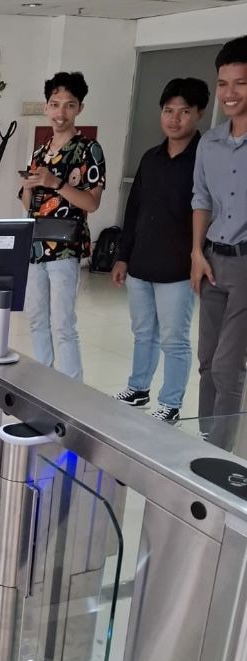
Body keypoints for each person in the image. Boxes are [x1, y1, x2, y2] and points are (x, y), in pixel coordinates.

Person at [111, 78, 209, 424]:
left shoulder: (203, 161)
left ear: (199, 114)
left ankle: (170, 402)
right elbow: (134, 208)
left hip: (178, 270)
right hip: (141, 264)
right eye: (169, 111)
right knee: (143, 333)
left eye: (184, 112)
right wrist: (123, 256)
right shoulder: (150, 158)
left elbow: (209, 211)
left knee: (174, 340)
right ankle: (138, 388)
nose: (175, 119)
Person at [20, 71, 106, 381]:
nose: (60, 113)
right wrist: (29, 186)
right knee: (36, 319)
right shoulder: (40, 151)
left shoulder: (88, 150)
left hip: (65, 247)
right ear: (46, 107)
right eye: (55, 104)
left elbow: (91, 203)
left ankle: (72, 392)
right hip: (35, 245)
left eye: (69, 105)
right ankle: (46, 381)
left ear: (80, 109)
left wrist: (55, 182)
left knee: (63, 325)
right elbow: (29, 204)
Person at [191, 36, 247, 449]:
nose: (229, 93)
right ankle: (204, 440)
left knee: (229, 365)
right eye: (223, 83)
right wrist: (196, 252)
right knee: (207, 360)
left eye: (240, 83)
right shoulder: (209, 142)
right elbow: (202, 199)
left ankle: (219, 456)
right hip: (211, 258)